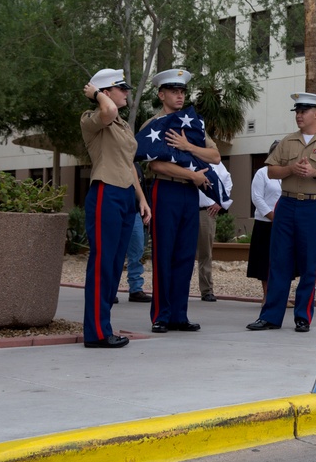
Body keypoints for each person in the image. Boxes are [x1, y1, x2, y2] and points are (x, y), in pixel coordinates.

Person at [246, 93, 316, 332]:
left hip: (313, 206)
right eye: (297, 111)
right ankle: (270, 316)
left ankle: (303, 316)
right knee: (279, 261)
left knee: (309, 263)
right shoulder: (287, 142)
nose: (299, 116)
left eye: (304, 111)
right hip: (287, 204)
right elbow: (271, 171)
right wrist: (291, 168)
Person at [141, 68, 220, 334]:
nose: (179, 95)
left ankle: (179, 315)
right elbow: (156, 166)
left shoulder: (193, 124)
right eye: (174, 91)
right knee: (164, 254)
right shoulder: (153, 125)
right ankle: (161, 315)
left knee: (186, 255)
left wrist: (189, 147)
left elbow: (215, 156)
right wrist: (191, 174)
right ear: (161, 94)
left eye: (182, 91)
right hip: (165, 191)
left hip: (189, 193)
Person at [80, 68, 151, 348]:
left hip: (124, 196)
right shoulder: (93, 118)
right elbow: (106, 109)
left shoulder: (121, 124)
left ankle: (103, 327)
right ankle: (96, 333)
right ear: (106, 92)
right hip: (105, 192)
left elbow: (130, 165)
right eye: (121, 88)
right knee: (102, 263)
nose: (126, 93)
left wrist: (141, 199)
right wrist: (96, 94)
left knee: (113, 264)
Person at [246, 140, 282, 301]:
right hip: (266, 223)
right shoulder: (262, 172)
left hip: (284, 224)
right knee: (265, 261)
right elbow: (257, 197)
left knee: (283, 260)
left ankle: (281, 295)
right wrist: (271, 215)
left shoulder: (287, 174)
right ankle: (267, 295)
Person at [196, 160, 233, 302]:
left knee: (205, 252)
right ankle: (177, 289)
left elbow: (227, 181)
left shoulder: (213, 162)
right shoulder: (184, 157)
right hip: (185, 207)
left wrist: (220, 202)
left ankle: (207, 290)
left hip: (206, 211)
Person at [123, 164, 152, 303]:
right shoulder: (116, 161)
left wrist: (147, 208)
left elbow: (143, 191)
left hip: (134, 212)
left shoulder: (137, 167)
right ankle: (109, 289)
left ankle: (136, 289)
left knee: (137, 250)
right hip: (119, 209)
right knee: (115, 251)